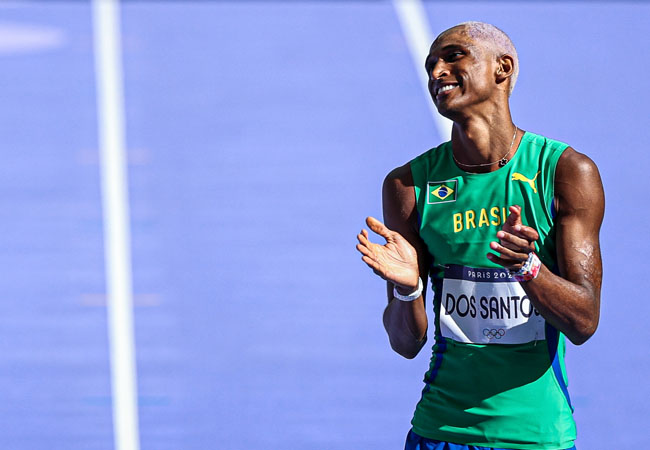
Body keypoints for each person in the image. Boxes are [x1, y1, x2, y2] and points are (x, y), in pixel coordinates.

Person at [356, 22, 604, 450]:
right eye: (431, 64)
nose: (437, 72)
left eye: (454, 57)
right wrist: (407, 290)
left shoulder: (564, 172)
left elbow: (583, 321)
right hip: (440, 433)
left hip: (535, 436)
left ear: (502, 68)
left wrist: (528, 269)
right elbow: (404, 343)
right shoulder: (410, 186)